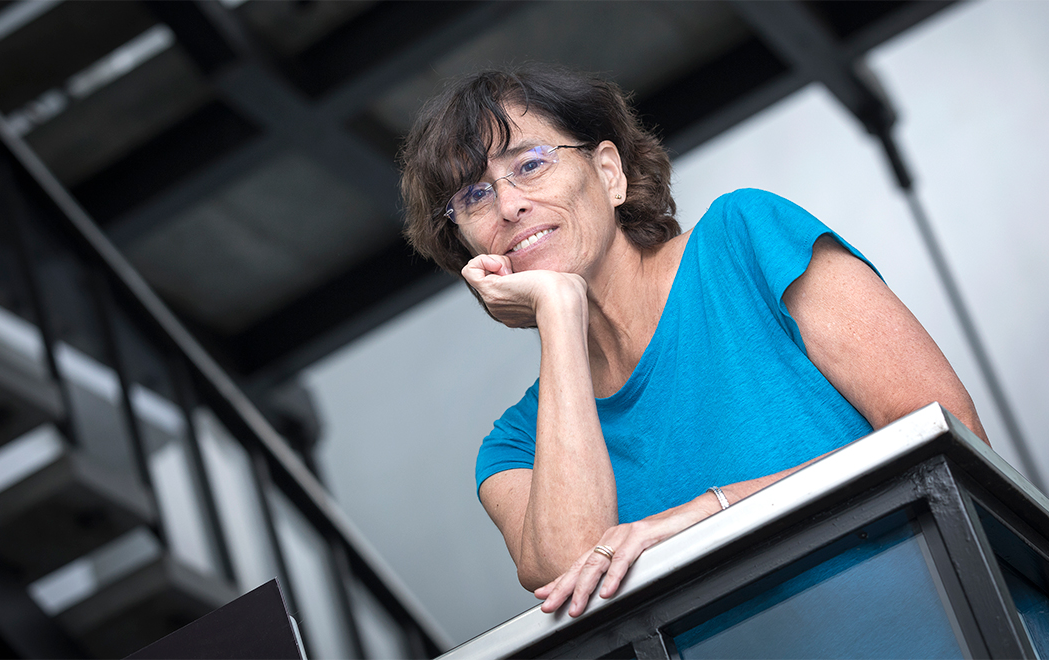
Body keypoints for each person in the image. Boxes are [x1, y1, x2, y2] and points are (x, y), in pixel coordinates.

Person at [399, 64, 988, 618]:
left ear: (608, 172)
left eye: (529, 163)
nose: (508, 204)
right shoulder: (514, 447)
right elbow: (575, 574)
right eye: (473, 196)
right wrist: (559, 308)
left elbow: (946, 431)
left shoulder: (746, 239)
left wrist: (711, 513)